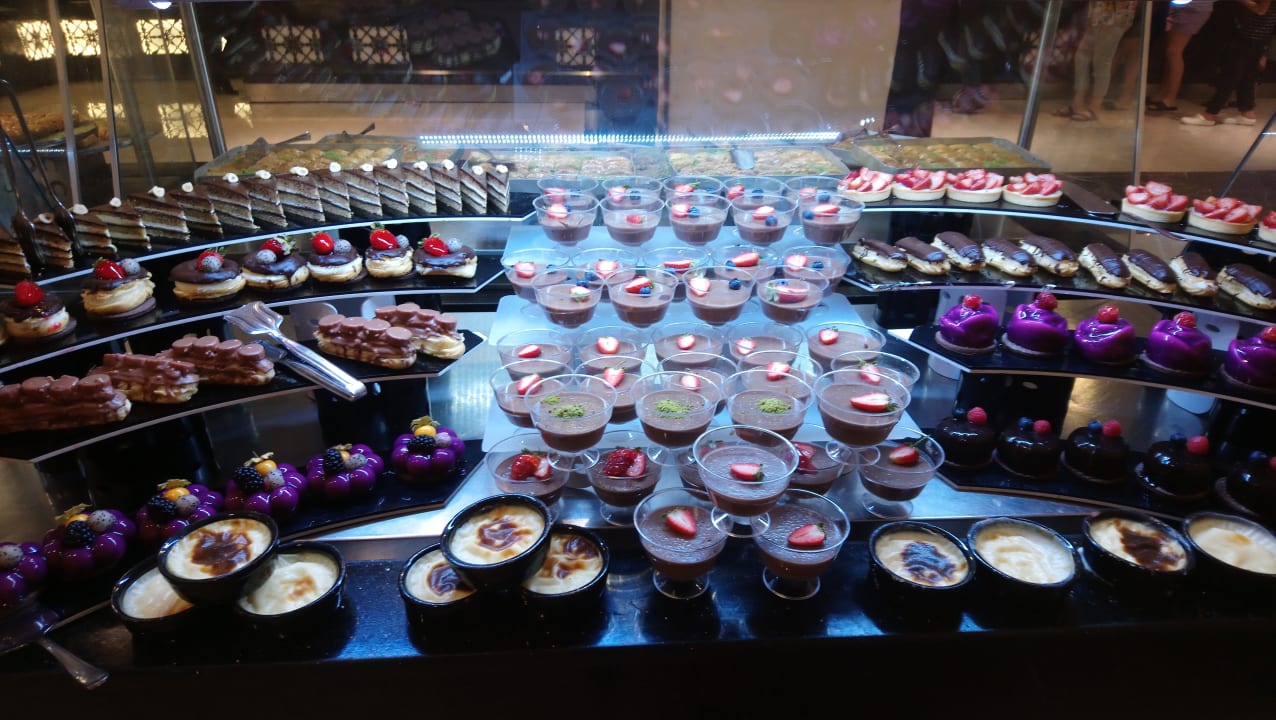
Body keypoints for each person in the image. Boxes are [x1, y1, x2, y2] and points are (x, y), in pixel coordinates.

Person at [1181, 0, 1276, 125]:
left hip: (1250, 36)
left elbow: (1261, 10)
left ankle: (1209, 114)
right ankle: (1247, 113)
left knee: (1231, 76)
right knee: (1246, 76)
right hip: (1257, 37)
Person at [1058, 1, 1138, 120]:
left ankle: (1095, 106)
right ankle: (1078, 102)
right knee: (1082, 56)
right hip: (1102, 7)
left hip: (1116, 9)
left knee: (1101, 60)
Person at [1146, 0, 1216, 112]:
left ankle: (1171, 98)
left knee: (1174, 50)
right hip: (1182, 6)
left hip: (1192, 7)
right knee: (1170, 50)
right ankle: (1163, 93)